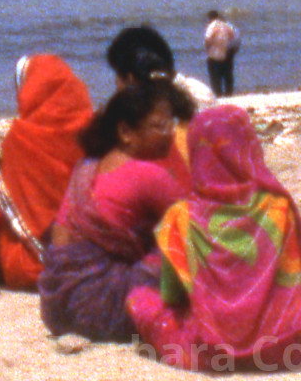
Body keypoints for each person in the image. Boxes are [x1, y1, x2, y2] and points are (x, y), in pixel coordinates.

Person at [128, 106, 301, 372]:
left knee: (139, 300)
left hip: (210, 349)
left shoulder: (181, 217)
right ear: (249, 147)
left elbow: (173, 295)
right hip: (287, 346)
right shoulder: (278, 208)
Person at [38, 79, 190, 342]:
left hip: (56, 305)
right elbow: (195, 222)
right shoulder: (147, 174)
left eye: (171, 124)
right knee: (182, 241)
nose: (168, 134)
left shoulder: (87, 165)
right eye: (158, 126)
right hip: (104, 306)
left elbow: (60, 240)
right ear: (125, 132)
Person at [0, 54, 93, 289]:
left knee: (4, 187)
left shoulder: (22, 138)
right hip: (88, 258)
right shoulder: (95, 130)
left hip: (29, 267)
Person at [106, 24, 211, 174]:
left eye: (117, 75)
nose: (116, 85)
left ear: (130, 79)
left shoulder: (144, 122)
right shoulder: (199, 92)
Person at [202, 10, 239, 97]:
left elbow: (208, 38)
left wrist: (208, 49)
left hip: (215, 53)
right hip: (227, 52)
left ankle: (218, 93)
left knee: (215, 75)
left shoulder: (212, 26)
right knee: (227, 75)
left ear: (210, 18)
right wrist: (232, 51)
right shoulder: (227, 25)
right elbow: (236, 38)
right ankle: (228, 93)